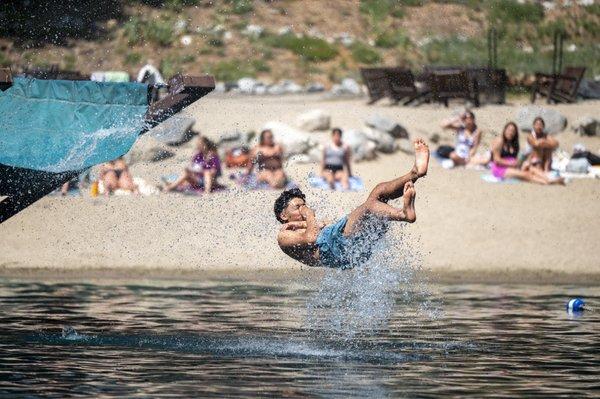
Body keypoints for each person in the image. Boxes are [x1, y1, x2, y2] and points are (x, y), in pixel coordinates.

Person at [275, 138, 429, 269]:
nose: (303, 209)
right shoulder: (284, 236)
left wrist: (313, 222)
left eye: (304, 205)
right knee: (369, 206)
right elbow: (311, 238)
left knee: (378, 194)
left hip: (349, 249)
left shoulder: (303, 226)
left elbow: (326, 225)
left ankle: (414, 173)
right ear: (283, 215)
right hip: (334, 249)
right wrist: (309, 214)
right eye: (298, 207)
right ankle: (403, 214)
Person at [490, 122, 563, 185]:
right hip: (500, 169)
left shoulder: (513, 143)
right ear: (504, 130)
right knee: (526, 174)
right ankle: (548, 182)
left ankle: (548, 178)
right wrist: (512, 164)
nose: (510, 132)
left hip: (512, 166)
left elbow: (516, 158)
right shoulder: (499, 141)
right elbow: (496, 160)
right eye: (509, 130)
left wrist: (523, 162)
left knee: (531, 168)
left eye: (513, 131)